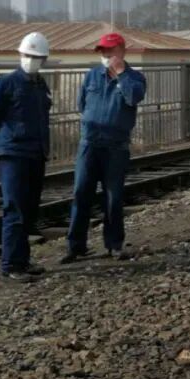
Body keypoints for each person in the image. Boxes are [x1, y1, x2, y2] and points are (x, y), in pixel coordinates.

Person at [60, 33, 147, 264]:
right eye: (102, 50)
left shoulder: (135, 78)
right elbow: (82, 104)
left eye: (109, 50)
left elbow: (133, 98)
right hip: (89, 143)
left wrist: (121, 74)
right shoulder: (91, 76)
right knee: (81, 193)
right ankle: (75, 246)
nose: (105, 54)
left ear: (122, 50)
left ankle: (114, 244)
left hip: (115, 147)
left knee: (113, 197)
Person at [0, 32, 52, 283]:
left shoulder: (40, 86)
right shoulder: (5, 84)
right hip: (13, 154)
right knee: (15, 209)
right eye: (28, 55)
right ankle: (10, 264)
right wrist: (3, 145)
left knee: (29, 209)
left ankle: (22, 261)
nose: (31, 60)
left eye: (36, 57)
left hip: (35, 154)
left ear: (43, 60)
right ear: (20, 55)